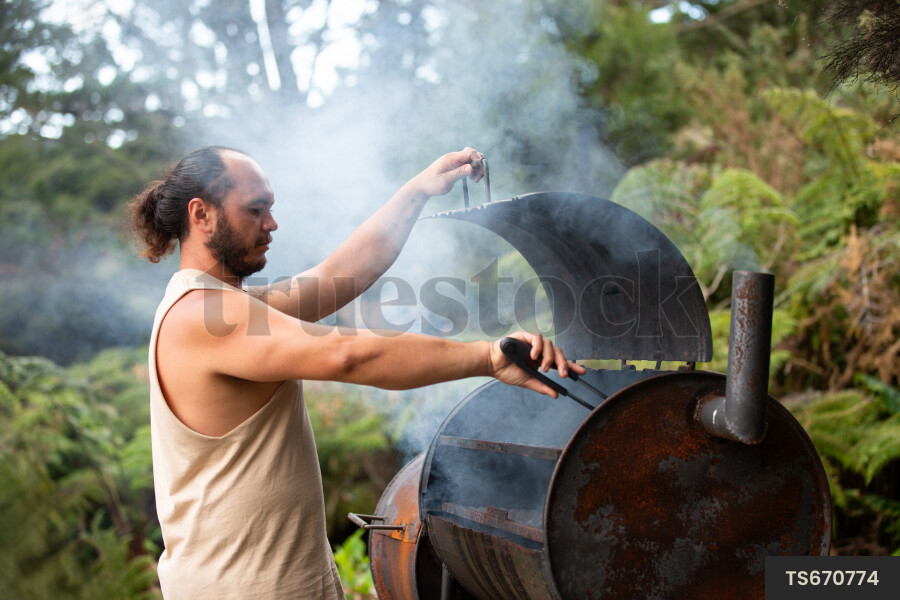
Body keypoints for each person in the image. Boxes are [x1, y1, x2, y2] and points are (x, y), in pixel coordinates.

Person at [129, 145, 583, 599]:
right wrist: (486, 358)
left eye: (271, 207)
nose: (272, 224)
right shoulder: (200, 317)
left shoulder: (226, 308)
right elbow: (348, 356)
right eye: (256, 209)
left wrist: (418, 190)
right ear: (201, 214)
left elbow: (337, 276)